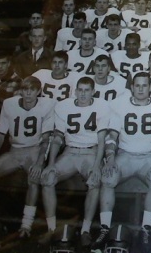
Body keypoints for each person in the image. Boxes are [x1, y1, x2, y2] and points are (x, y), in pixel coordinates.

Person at [95, 72, 151, 252]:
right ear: (131, 87)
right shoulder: (119, 105)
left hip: (149, 155)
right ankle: (105, 228)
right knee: (108, 177)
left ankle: (146, 229)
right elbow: (112, 136)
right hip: (125, 155)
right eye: (137, 85)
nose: (140, 89)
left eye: (144, 86)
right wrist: (111, 159)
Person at [0, 77, 54, 238]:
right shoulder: (9, 104)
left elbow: (46, 139)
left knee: (34, 178)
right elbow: (0, 136)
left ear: (38, 92)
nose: (28, 93)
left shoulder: (47, 105)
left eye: (32, 90)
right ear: (20, 90)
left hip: (34, 150)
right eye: (25, 89)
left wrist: (40, 163)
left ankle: (26, 224)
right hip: (14, 151)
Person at [40, 77, 109, 249]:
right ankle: (52, 228)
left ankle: (85, 230)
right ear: (75, 91)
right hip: (70, 152)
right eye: (80, 90)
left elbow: (101, 141)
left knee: (94, 181)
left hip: (91, 151)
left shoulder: (101, 106)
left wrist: (96, 166)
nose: (83, 94)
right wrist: (51, 164)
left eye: (87, 90)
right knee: (47, 178)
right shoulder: (64, 106)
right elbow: (57, 138)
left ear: (93, 91)